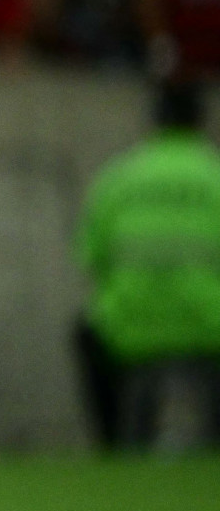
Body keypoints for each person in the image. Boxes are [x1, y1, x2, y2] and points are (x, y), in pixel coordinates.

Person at [75, 81, 220, 448]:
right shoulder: (214, 175)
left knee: (86, 331)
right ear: (200, 121)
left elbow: (91, 258)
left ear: (154, 122)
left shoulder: (119, 177)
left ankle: (113, 448)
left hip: (130, 331)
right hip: (209, 329)